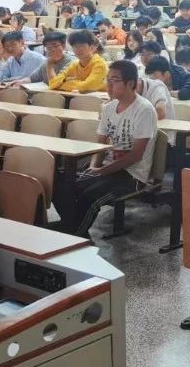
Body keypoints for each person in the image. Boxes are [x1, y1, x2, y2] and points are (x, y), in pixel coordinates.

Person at [57, 59, 158, 235]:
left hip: (131, 175)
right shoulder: (108, 108)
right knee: (60, 183)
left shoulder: (144, 110)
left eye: (115, 80)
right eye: (107, 80)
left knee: (89, 197)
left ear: (130, 83)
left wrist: (101, 171)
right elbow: (101, 144)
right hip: (107, 167)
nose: (109, 85)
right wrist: (94, 166)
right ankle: (73, 231)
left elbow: (136, 155)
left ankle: (75, 236)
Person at [7, 30, 73, 86]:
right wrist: (18, 82)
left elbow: (55, 85)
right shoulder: (47, 61)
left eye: (55, 46)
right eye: (48, 47)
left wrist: (49, 65)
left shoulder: (71, 62)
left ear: (64, 46)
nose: (52, 50)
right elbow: (32, 79)